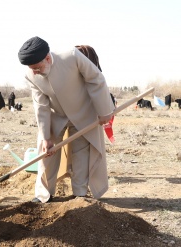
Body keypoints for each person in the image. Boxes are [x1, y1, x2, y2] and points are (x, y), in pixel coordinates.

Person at [17, 37, 114, 203]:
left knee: (81, 154)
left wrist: (105, 111)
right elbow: (41, 106)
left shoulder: (72, 56)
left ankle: (80, 194)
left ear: (47, 58)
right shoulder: (30, 75)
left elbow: (95, 79)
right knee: (46, 153)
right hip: (56, 117)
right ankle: (43, 195)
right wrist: (46, 137)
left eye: (37, 67)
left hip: (83, 113)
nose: (35, 72)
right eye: (31, 69)